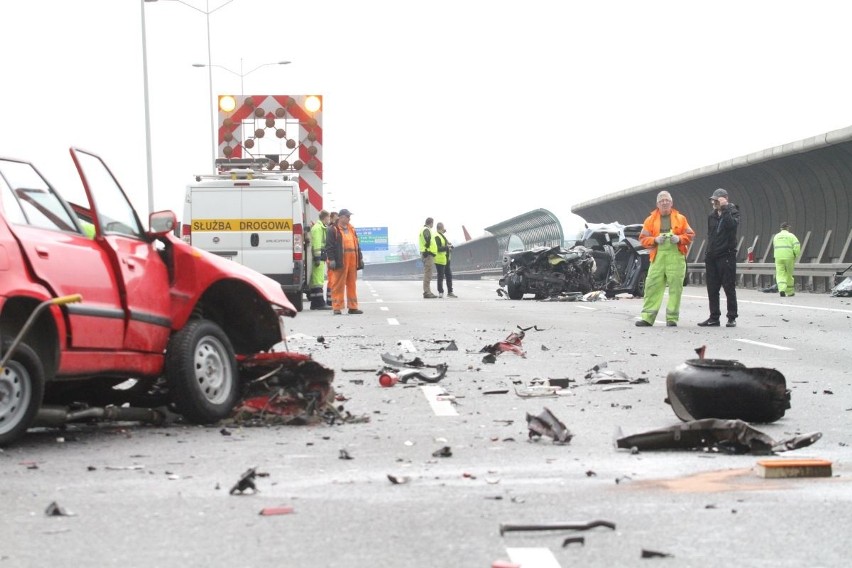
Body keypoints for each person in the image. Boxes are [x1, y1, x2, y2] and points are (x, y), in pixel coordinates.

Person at [635, 191, 695, 327]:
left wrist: (679, 238)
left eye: (667, 200)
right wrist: (654, 239)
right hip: (658, 257)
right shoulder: (650, 220)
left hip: (676, 257)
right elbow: (643, 239)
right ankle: (647, 318)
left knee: (675, 288)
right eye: (661, 200)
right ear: (657, 204)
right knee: (652, 286)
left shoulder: (681, 218)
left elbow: (690, 235)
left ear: (671, 202)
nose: (664, 202)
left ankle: (672, 318)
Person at [699, 188, 741, 327]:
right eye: (713, 200)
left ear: (725, 199)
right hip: (712, 256)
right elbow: (711, 235)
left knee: (729, 287)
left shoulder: (733, 211)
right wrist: (708, 253)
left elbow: (731, 226)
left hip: (726, 255)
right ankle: (714, 317)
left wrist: (725, 209)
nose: (714, 202)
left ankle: (731, 317)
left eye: (717, 200)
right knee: (712, 288)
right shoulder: (711, 215)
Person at [325, 209, 364, 315]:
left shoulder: (352, 229)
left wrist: (360, 258)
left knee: (352, 284)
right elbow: (329, 246)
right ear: (341, 217)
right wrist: (332, 259)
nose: (349, 218)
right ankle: (337, 307)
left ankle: (353, 307)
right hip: (340, 260)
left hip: (352, 260)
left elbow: (357, 245)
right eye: (347, 216)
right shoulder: (333, 230)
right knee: (338, 284)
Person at [308, 209, 331, 310]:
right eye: (329, 218)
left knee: (316, 280)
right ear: (325, 217)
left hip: (320, 257)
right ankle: (320, 303)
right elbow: (316, 244)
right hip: (319, 257)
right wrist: (317, 257)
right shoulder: (318, 228)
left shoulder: (320, 227)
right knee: (318, 281)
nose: (329, 220)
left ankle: (314, 303)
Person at [773, 222, 800, 297]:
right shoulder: (791, 236)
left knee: (780, 273)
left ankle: (781, 289)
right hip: (789, 257)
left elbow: (775, 246)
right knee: (789, 274)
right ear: (787, 228)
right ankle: (790, 292)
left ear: (781, 228)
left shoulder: (776, 236)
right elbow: (797, 246)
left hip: (778, 257)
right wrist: (796, 254)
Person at [434, 222, 457, 298]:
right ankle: (440, 292)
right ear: (441, 228)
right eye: (444, 228)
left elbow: (445, 244)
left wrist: (449, 245)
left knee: (449, 276)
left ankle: (450, 292)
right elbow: (438, 248)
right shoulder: (437, 236)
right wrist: (447, 247)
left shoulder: (442, 236)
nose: (444, 230)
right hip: (440, 260)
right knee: (440, 276)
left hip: (446, 259)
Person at [419, 217, 438, 299]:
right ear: (431, 223)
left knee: (428, 273)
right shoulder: (426, 230)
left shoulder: (423, 229)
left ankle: (428, 291)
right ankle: (427, 292)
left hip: (426, 253)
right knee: (428, 274)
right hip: (428, 254)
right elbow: (427, 239)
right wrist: (427, 246)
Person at [325, 211, 339, 306]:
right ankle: (330, 300)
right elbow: (329, 245)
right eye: (336, 217)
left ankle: (331, 299)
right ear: (332, 218)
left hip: (331, 257)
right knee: (331, 279)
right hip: (330, 258)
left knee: (333, 279)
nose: (337, 219)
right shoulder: (330, 229)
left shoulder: (333, 228)